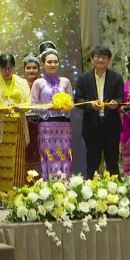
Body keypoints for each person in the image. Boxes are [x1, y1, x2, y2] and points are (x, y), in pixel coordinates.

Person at [0, 54, 30, 206]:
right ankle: (3, 198)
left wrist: (21, 107)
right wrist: (0, 109)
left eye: (10, 68)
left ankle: (18, 197)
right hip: (0, 129)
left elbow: (29, 102)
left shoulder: (22, 82)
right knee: (1, 165)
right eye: (4, 68)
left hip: (18, 126)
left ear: (14, 68)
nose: (7, 71)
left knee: (18, 163)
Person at [75, 46, 125, 177]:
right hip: (91, 126)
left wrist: (115, 103)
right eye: (97, 57)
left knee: (112, 160)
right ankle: (91, 187)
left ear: (109, 60)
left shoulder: (116, 78)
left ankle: (115, 187)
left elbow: (121, 98)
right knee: (92, 161)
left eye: (104, 57)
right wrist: (90, 105)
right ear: (92, 59)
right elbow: (78, 99)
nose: (100, 60)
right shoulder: (83, 78)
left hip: (111, 125)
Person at [30, 42, 73, 179]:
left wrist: (65, 105)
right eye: (49, 62)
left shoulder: (65, 81)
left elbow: (72, 103)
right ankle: (50, 186)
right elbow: (33, 105)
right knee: (49, 156)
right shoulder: (39, 83)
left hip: (64, 125)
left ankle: (66, 185)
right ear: (43, 64)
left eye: (55, 61)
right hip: (47, 125)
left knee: (65, 155)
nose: (53, 64)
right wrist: (49, 107)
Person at [21, 53, 42, 185]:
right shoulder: (19, 85)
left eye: (34, 68)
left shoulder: (43, 84)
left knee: (39, 153)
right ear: (24, 69)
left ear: (39, 69)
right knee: (25, 154)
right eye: (28, 68)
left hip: (41, 122)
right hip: (23, 123)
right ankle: (25, 186)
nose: (31, 71)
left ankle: (40, 186)